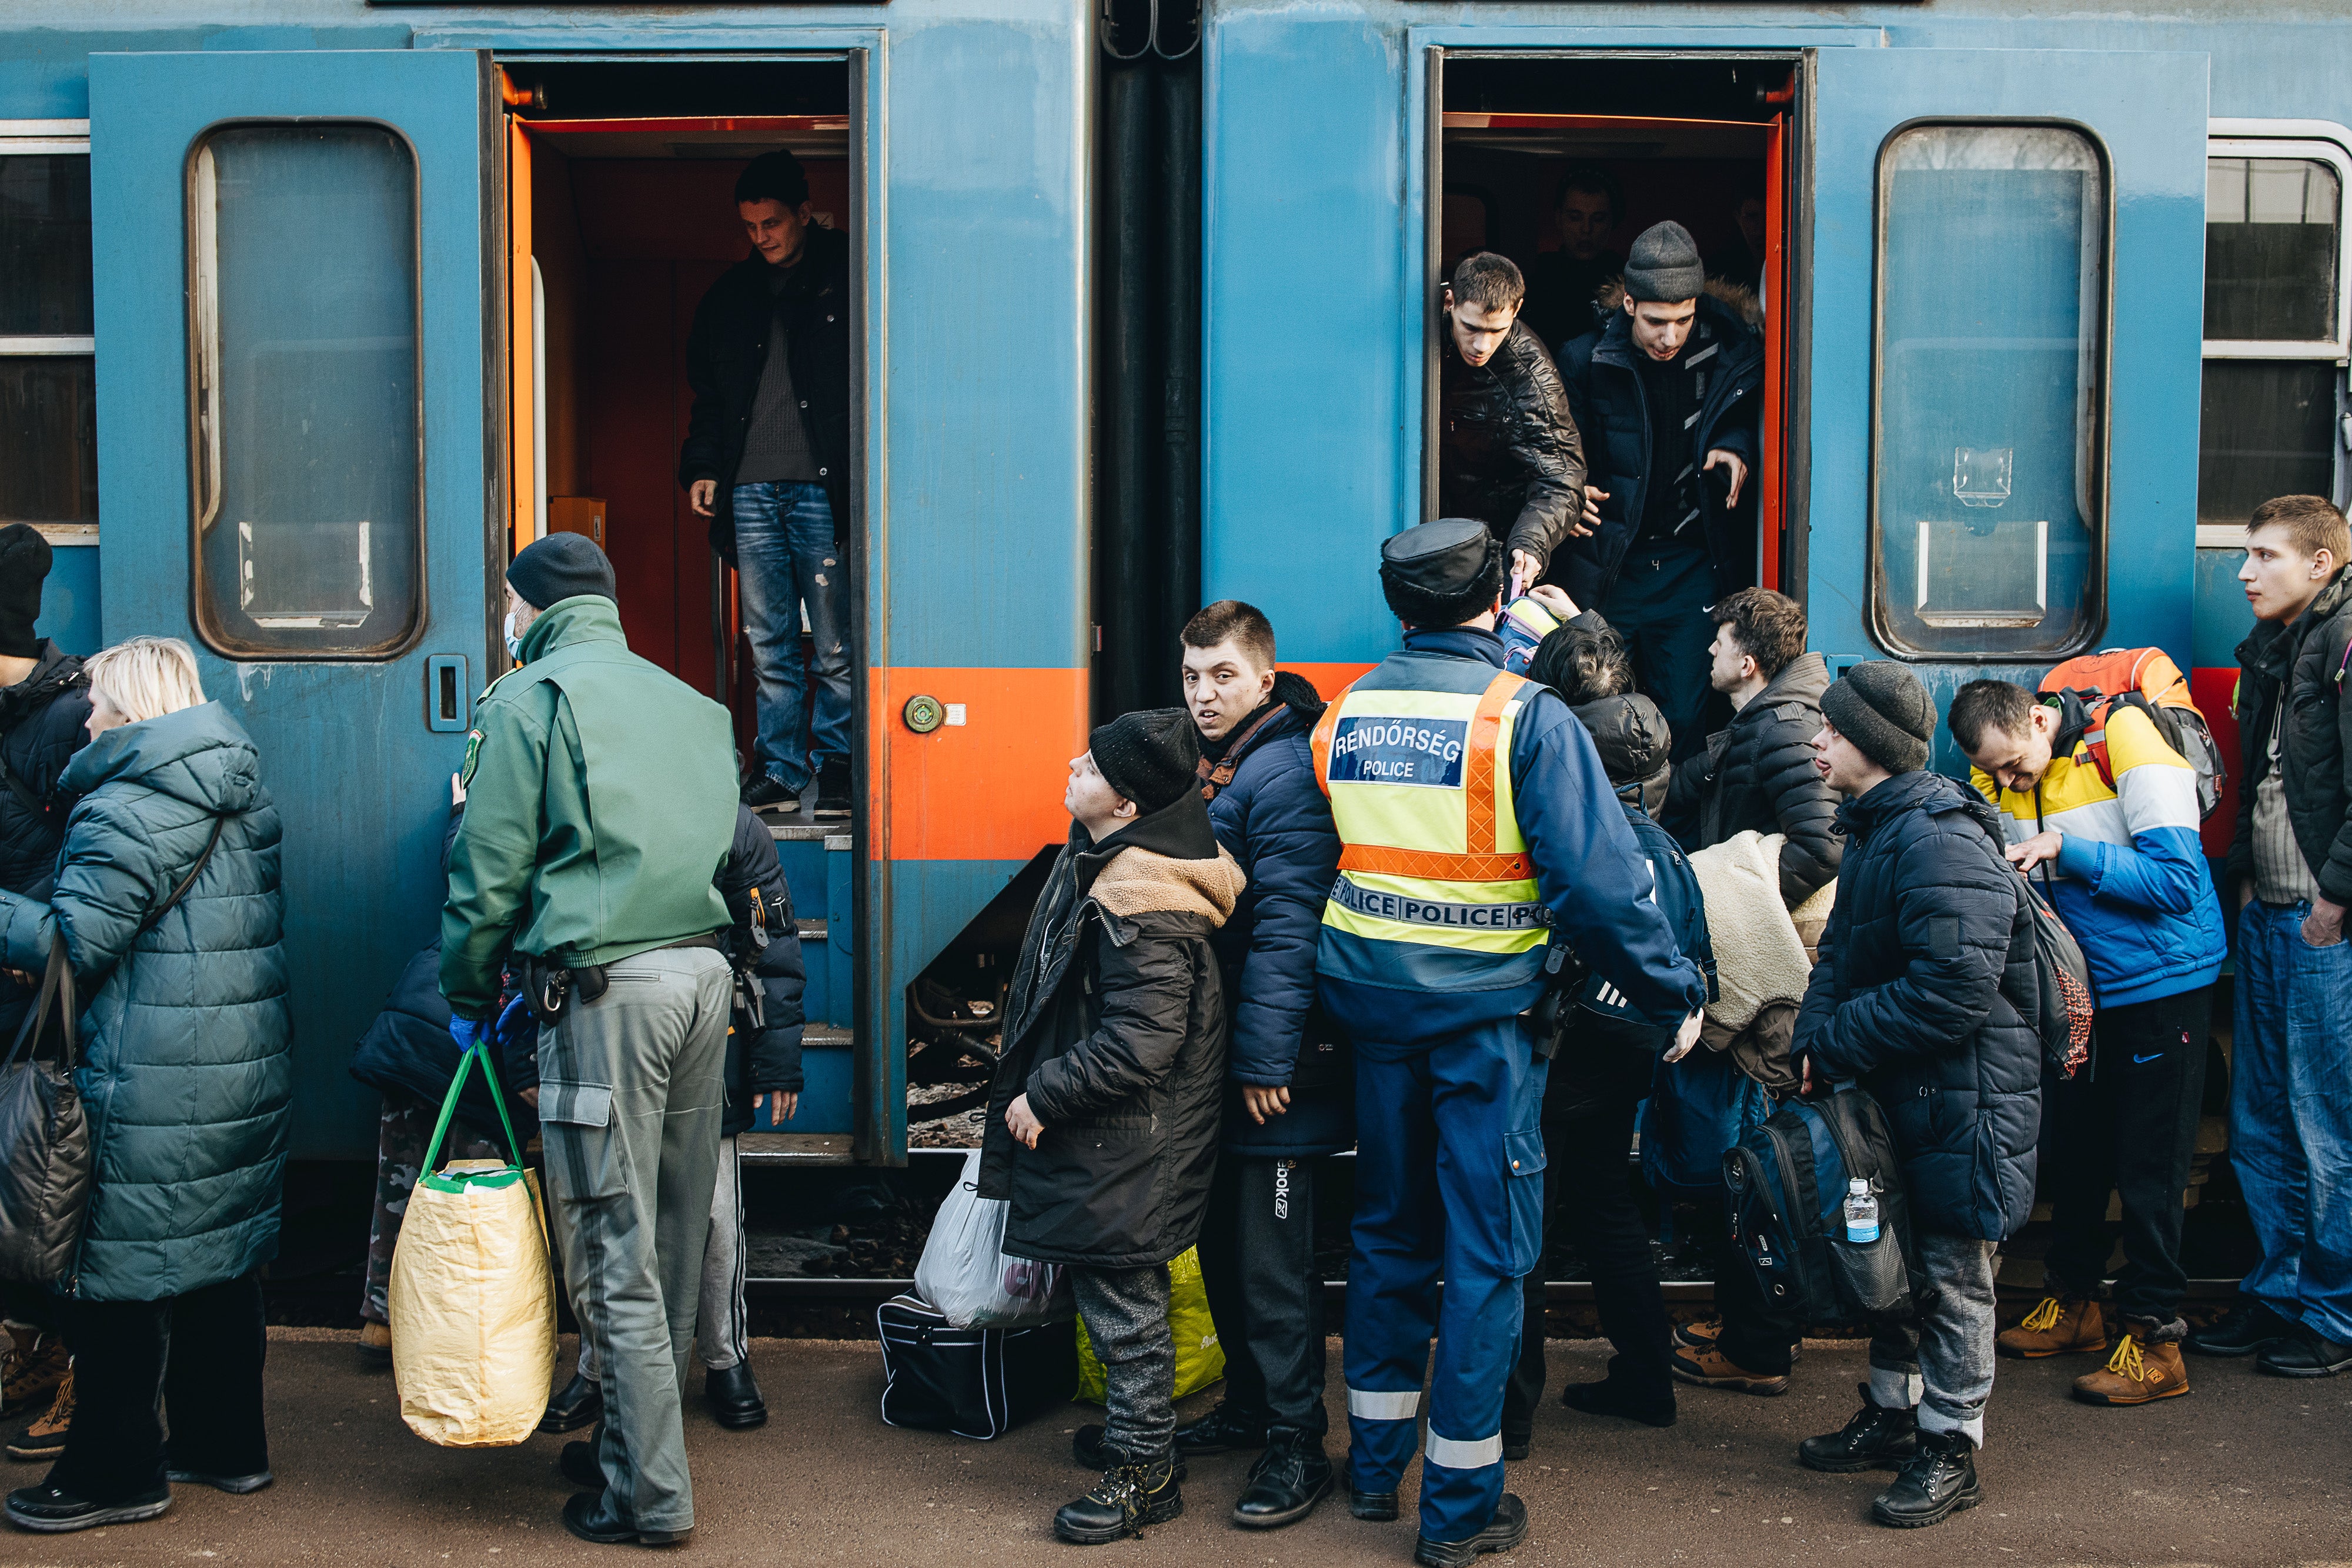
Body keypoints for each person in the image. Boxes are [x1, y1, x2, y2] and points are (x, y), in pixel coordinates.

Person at [1315, 520, 1706, 1566]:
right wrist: (1675, 989)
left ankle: (1372, 1473)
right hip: (1483, 1023)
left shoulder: (1346, 711)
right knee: (1488, 1258)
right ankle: (1456, 1513)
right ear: (1496, 601)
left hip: (1371, 1012)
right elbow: (1600, 885)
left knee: (1388, 1236)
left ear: (1400, 608)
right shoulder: (1519, 715)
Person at [442, 533, 741, 1547]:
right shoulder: (690, 703)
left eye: (511, 607)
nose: (509, 624)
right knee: (665, 1228)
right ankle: (631, 1446)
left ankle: (647, 1498)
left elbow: (488, 870)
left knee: (610, 1241)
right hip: (705, 977)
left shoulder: (530, 700)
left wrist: (469, 984)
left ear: (531, 607)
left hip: (609, 990)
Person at [0, 637, 291, 1534]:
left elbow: (71, 945)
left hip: (147, 1067)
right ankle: (227, 1446)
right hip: (236, 1064)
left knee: (116, 1271)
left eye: (95, 702)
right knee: (217, 1258)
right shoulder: (238, 784)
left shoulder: (126, 804)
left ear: (126, 706)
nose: (85, 715)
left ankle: (117, 1471)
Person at [977, 710, 1245, 1545]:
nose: (1071, 765)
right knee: (1120, 1298)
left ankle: (1144, 1474)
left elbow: (1142, 1039)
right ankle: (1145, 1441)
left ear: (1126, 804)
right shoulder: (1114, 860)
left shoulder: (1145, 900)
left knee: (1125, 1306)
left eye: (1089, 765)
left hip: (1126, 1139)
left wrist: (1045, 1094)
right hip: (1123, 1136)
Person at [1788, 662, 2041, 1530]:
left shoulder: (1935, 836)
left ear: (1871, 745)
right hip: (1910, 1090)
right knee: (1893, 1263)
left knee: (1951, 1274)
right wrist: (1813, 1037)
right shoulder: (1878, 826)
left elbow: (1954, 989)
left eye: (1829, 730)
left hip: (1960, 1100)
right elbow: (1842, 959)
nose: (1815, 742)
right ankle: (1897, 1415)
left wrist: (1841, 1036)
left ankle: (1952, 1447)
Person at [1949, 678, 2227, 1403]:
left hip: (2162, 985)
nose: (2006, 781)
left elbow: (2177, 880)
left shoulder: (2125, 739)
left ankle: (2155, 1340)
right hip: (2080, 994)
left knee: (2150, 1165)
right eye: (1993, 772)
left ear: (2039, 721)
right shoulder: (1992, 774)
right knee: (2075, 1152)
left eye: (2014, 765)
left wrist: (2064, 849)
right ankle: (2075, 1304)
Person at [1501, 614, 1709, 1448]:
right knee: (1607, 1199)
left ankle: (1510, 1414)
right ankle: (1646, 1375)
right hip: (1636, 1034)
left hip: (1567, 1033)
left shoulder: (1560, 799)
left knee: (1526, 1212)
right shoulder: (1661, 830)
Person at [1160, 601, 1347, 1528]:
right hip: (1231, 1055)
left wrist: (1269, 1055)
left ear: (1264, 679)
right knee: (1229, 1252)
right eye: (1193, 676)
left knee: (1273, 1262)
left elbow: (1288, 925)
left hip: (1280, 1066)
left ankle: (1296, 1440)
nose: (1203, 693)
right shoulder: (1224, 760)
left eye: (1222, 675)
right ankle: (1247, 1409)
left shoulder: (1284, 774)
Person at [547, 800, 807, 1452]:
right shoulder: (719, 810)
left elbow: (771, 941)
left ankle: (723, 1357)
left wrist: (777, 1061)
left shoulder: (730, 817)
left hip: (703, 1033)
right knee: (622, 1208)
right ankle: (605, 1368)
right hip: (654, 1023)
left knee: (712, 1215)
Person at [1659, 587, 1842, 1396]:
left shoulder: (1783, 725)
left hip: (1770, 978)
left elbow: (1822, 844)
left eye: (1720, 641)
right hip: (1772, 972)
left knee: (1750, 1151)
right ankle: (1749, 1323)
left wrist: (1744, 908)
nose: (1708, 655)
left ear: (1750, 659)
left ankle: (1759, 1340)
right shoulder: (1769, 720)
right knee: (1744, 1145)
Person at [2194, 493, 2352, 1378]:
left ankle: (2332, 1311)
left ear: (2320, 564)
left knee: (2325, 1121)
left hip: (2322, 920)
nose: (2244, 570)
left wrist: (2335, 901)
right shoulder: (2280, 649)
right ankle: (2278, 1287)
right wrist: (2253, 886)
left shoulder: (2345, 644)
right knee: (2263, 1118)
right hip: (2270, 912)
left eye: (2264, 556)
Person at [679, 149, 854, 818]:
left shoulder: (848, 275)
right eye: (750, 226)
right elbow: (708, 400)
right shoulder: (729, 297)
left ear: (805, 214)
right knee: (769, 641)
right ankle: (781, 771)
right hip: (748, 492)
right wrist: (701, 467)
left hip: (819, 489)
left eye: (773, 222)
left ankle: (836, 765)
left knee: (835, 641)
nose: (762, 237)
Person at [1555, 221, 1764, 761]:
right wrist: (1569, 492)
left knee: (1687, 714)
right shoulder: (1585, 359)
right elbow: (1559, 448)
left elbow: (1754, 416)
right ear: (1628, 304)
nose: (1669, 337)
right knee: (1598, 709)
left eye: (1683, 320)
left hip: (1692, 562)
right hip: (1611, 561)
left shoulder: (1733, 352)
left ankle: (1677, 837)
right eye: (1655, 322)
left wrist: (1737, 443)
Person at [0, 522, 91, 1447]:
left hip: (42, 977)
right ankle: (27, 1339)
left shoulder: (69, 716)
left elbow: (93, 867)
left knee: (49, 1174)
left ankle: (70, 1352)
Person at [1436, 252, 1589, 596]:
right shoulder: (1414, 325)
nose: (1481, 345)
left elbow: (1562, 477)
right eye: (1471, 328)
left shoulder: (1531, 376)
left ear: (1516, 310)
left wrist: (1531, 542)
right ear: (1450, 301)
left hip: (1490, 540)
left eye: (1496, 331)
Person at [1519, 167, 1624, 350]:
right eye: (1575, 218)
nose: (1586, 229)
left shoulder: (1629, 280)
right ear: (1559, 218)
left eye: (1598, 219)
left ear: (1612, 221)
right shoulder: (1536, 280)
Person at [1705, 194, 1768, 295]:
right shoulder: (1720, 270)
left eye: (1770, 216)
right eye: (1752, 217)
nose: (1761, 229)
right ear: (1738, 218)